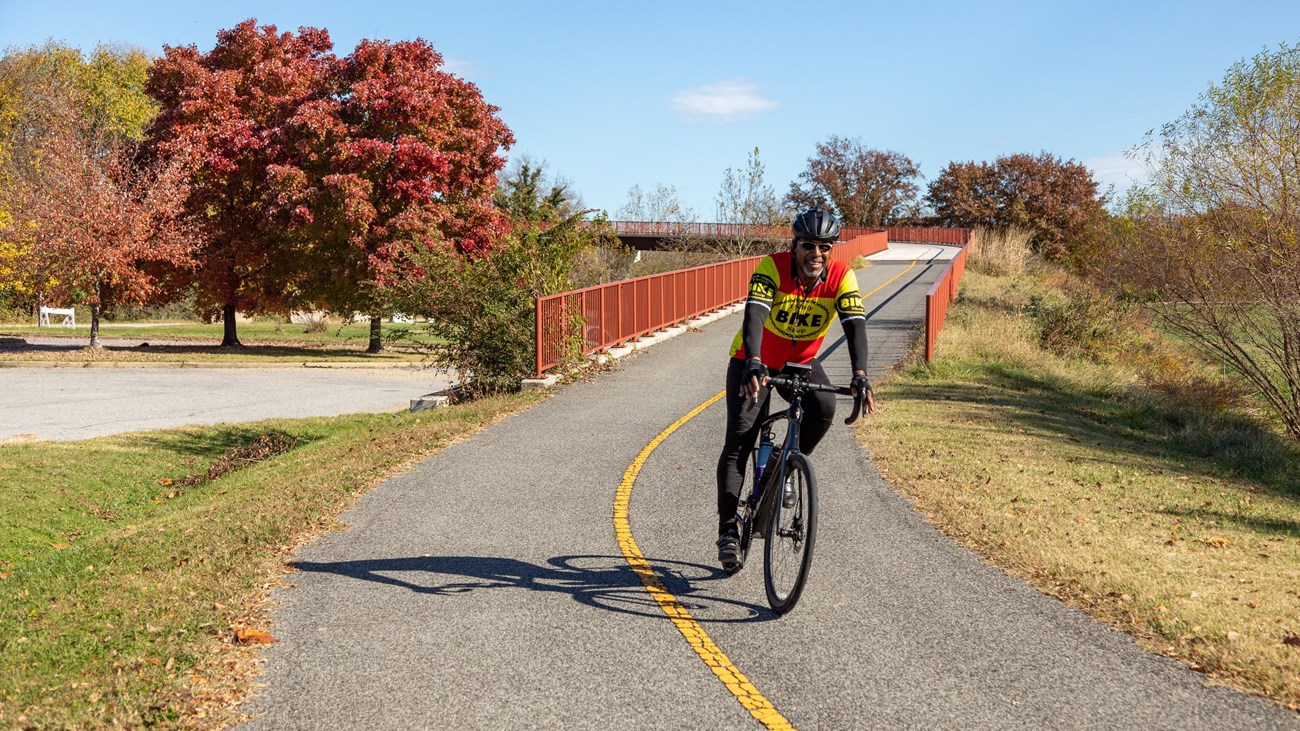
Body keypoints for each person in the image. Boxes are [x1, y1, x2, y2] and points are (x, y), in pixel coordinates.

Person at [715, 208, 875, 571]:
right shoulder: (771, 268)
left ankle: (784, 466)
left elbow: (854, 323)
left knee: (823, 408)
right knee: (741, 437)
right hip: (754, 358)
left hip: (799, 361)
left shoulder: (842, 276)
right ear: (794, 246)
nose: (816, 254)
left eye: (825, 247)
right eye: (808, 246)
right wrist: (754, 362)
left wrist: (860, 373)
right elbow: (754, 313)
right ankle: (727, 530)